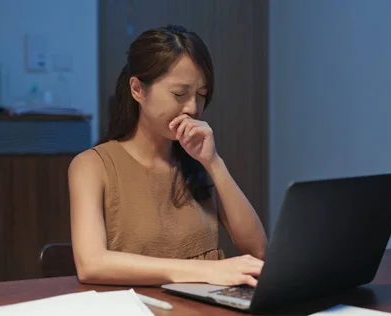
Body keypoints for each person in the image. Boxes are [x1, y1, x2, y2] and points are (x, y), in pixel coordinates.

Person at [67, 25, 268, 288]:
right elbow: (91, 264)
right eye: (179, 94)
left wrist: (214, 163)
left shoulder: (199, 161)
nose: (193, 108)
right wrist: (205, 270)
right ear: (137, 89)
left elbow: (258, 251)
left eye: (201, 95)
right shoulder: (92, 166)